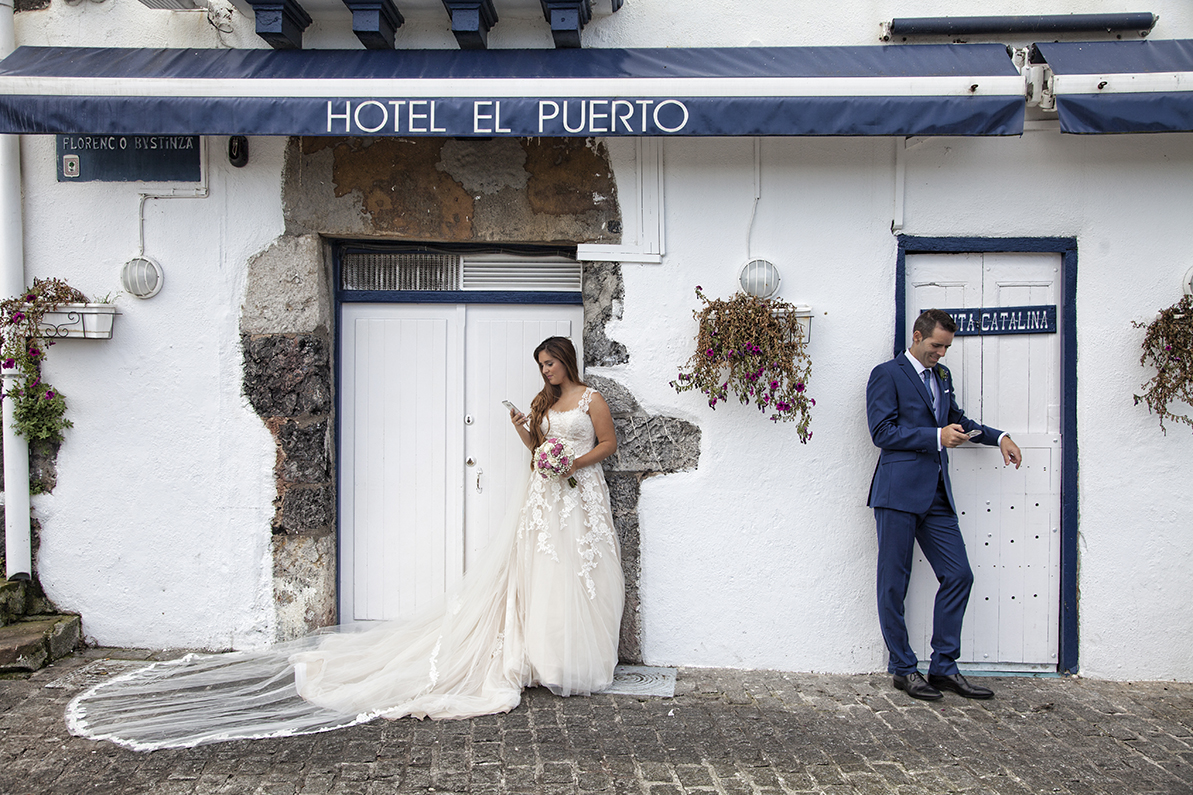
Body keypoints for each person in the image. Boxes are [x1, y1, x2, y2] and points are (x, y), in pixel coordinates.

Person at [65, 336, 623, 750]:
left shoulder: (589, 398)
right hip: (544, 497)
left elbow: (608, 445)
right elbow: (533, 453)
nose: (545, 372)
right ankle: (542, 657)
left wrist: (569, 460)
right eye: (541, 367)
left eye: (549, 364)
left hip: (580, 497)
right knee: (540, 575)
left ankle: (570, 658)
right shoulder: (546, 405)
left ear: (565, 361)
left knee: (579, 573)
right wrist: (526, 433)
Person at [866, 309, 1022, 702]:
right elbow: (882, 432)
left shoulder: (943, 378)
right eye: (937, 345)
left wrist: (998, 436)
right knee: (893, 584)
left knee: (959, 575)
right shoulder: (887, 374)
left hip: (936, 495)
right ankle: (903, 668)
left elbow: (956, 421)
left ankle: (944, 667)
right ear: (917, 337)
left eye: (946, 347)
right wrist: (935, 436)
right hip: (897, 493)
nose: (942, 353)